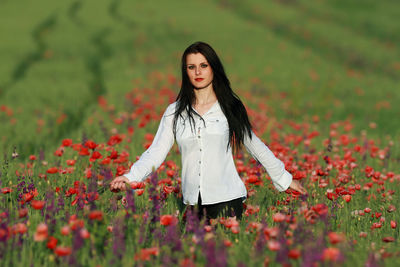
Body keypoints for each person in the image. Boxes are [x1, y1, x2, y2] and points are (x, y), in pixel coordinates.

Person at [110, 41, 307, 220]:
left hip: (228, 200)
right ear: (185, 72)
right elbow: (156, 152)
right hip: (192, 203)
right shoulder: (175, 112)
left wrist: (284, 180)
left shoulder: (230, 107)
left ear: (213, 69)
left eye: (204, 66)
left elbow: (256, 146)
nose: (198, 72)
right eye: (191, 67)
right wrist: (130, 177)